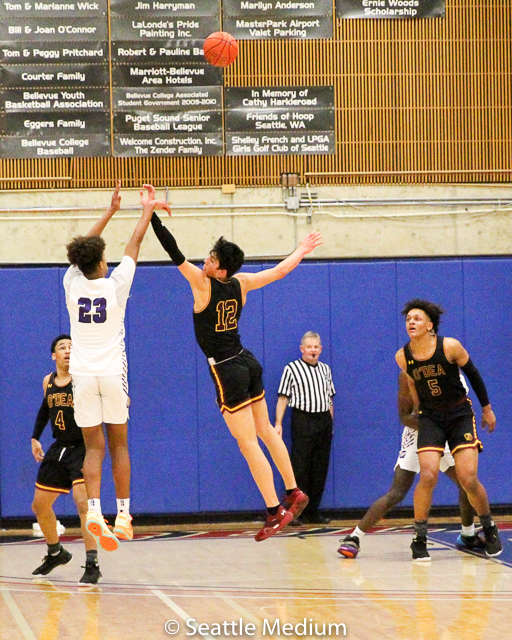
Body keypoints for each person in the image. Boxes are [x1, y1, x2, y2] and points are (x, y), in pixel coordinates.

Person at [150, 211, 322, 540]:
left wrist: (151, 217)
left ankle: (274, 510)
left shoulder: (203, 285)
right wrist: (301, 249)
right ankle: (293, 490)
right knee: (266, 431)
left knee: (247, 443)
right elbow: (280, 271)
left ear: (221, 270)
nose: (205, 261)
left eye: (212, 260)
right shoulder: (241, 283)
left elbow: (173, 250)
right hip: (247, 361)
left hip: (227, 368)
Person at [64, 181, 171, 552]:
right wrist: (146, 209)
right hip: (111, 373)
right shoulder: (115, 286)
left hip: (81, 375)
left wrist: (108, 212)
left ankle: (94, 510)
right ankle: (123, 517)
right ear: (101, 263)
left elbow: (84, 249)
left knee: (93, 448)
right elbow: (134, 244)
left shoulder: (71, 282)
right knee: (119, 445)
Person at [395, 298, 502, 561]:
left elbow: (474, 375)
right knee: (428, 475)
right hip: (431, 418)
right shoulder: (403, 356)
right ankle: (419, 538)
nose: (411, 322)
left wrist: (487, 409)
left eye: (417, 318)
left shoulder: (449, 346)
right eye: (408, 319)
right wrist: (419, 413)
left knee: (468, 478)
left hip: (459, 415)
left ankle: (488, 526)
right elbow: (414, 386)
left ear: (430, 325)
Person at [337, 370, 483, 559]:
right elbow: (405, 416)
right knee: (397, 492)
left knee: (467, 483)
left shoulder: (452, 367)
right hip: (419, 434)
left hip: (447, 432)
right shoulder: (407, 374)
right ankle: (354, 537)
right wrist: (434, 428)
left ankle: (468, 534)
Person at [31, 335, 101, 585]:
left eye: (72, 347)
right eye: (62, 347)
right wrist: (35, 437)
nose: (68, 350)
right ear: (54, 355)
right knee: (39, 506)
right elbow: (45, 409)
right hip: (58, 447)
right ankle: (56, 553)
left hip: (83, 448)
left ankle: (92, 563)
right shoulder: (48, 381)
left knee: (83, 504)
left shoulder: (83, 380)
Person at [275, 331, 335, 525]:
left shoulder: (325, 369)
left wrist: (330, 423)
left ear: (321, 349)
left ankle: (312, 512)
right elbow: (283, 397)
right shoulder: (291, 369)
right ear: (302, 349)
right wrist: (278, 423)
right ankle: (294, 513)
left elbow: (329, 399)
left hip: (323, 420)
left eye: (316, 347)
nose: (312, 350)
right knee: (300, 468)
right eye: (309, 347)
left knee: (320, 468)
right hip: (303, 419)